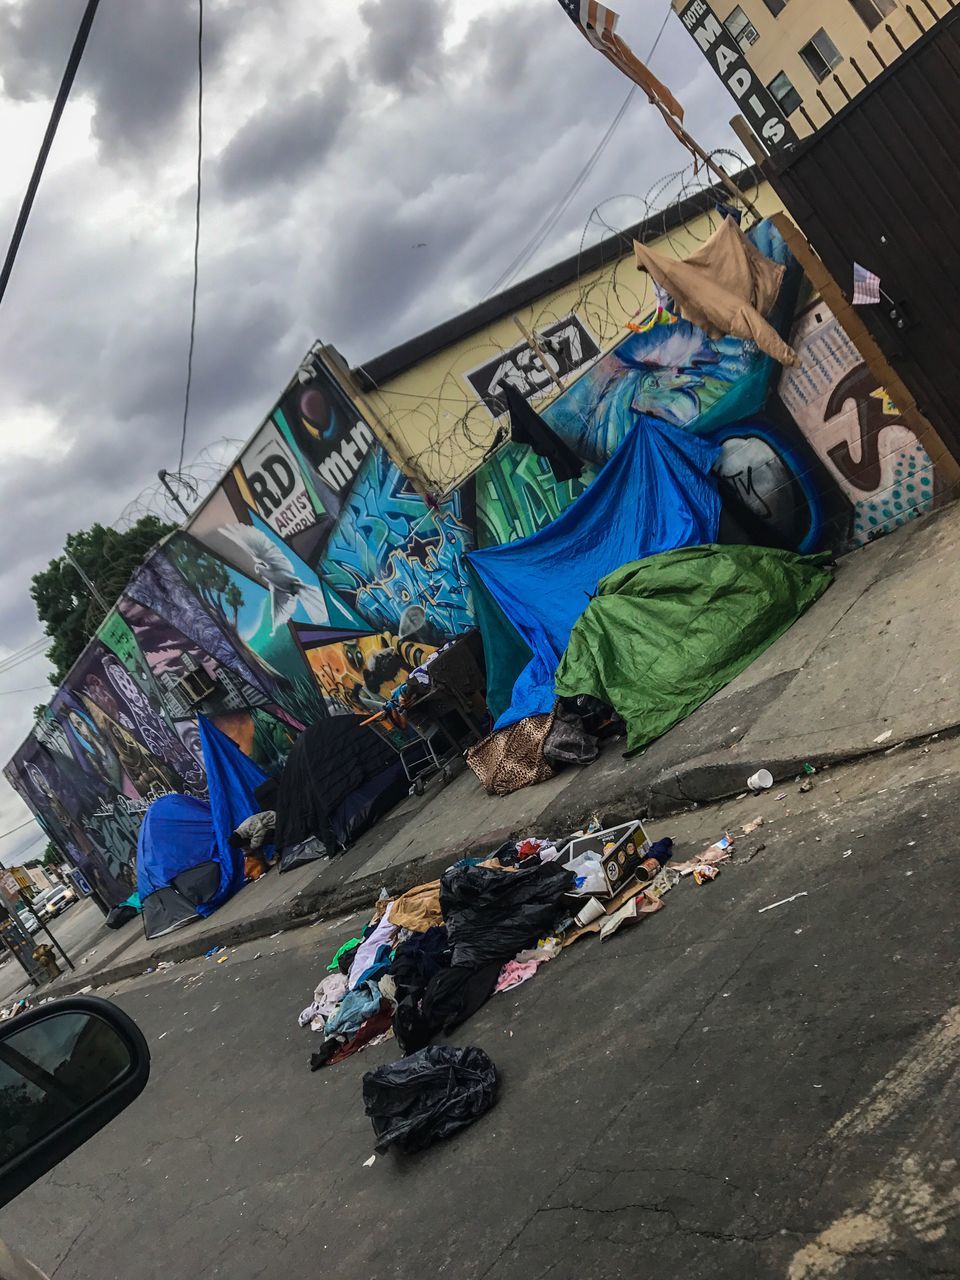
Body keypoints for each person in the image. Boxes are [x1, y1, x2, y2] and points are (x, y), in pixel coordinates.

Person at [229, 810, 276, 881]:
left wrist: (252, 847)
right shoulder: (240, 835)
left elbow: (260, 832)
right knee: (254, 848)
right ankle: (263, 866)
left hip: (272, 820)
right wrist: (247, 853)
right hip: (266, 826)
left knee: (259, 843)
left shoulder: (247, 827)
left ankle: (276, 854)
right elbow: (244, 848)